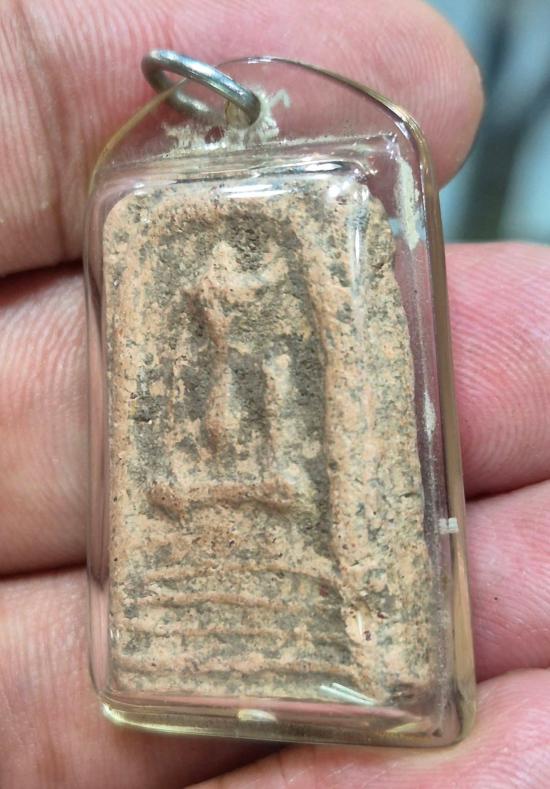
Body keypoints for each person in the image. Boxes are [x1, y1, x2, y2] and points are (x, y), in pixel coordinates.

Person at [0, 1, 549, 786]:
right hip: (206, 505)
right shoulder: (157, 251)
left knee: (273, 433)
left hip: (305, 518)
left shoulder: (294, 276)